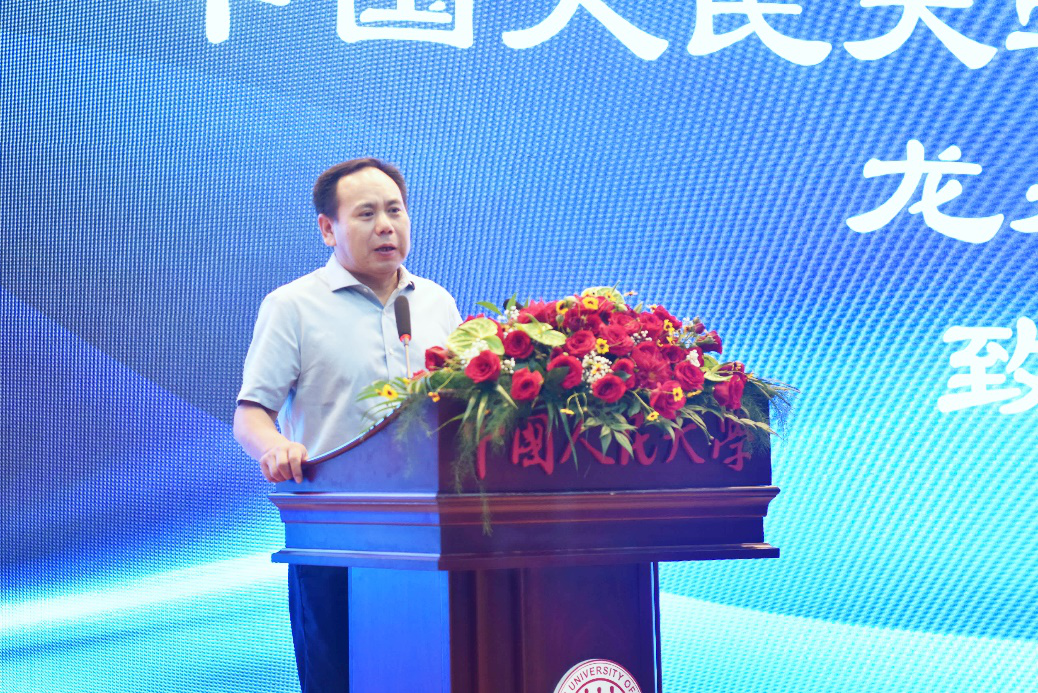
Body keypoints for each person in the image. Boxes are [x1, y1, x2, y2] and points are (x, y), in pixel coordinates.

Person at [233, 158, 462, 692]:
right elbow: (250, 413)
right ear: (327, 228)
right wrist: (275, 447)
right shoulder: (293, 306)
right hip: (335, 532)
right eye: (366, 214)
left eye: (395, 211)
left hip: (431, 533)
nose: (386, 226)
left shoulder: (437, 302)